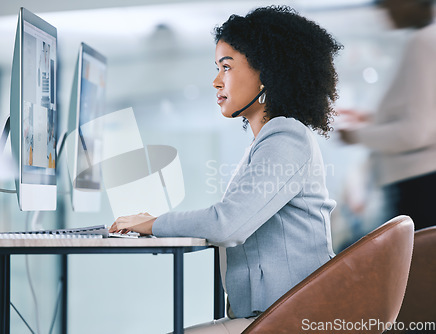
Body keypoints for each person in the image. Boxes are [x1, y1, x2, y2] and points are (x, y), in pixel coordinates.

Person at [110, 6, 342, 333]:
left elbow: (227, 223)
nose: (216, 80)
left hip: (292, 318)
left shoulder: (286, 138)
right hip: (276, 313)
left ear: (267, 73)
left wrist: (153, 223)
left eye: (227, 67)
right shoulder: (271, 140)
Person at [338, 0, 436, 230]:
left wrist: (355, 135)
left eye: (388, 2)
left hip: (419, 185)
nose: (384, 10)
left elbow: (414, 134)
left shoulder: (422, 42)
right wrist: (372, 120)